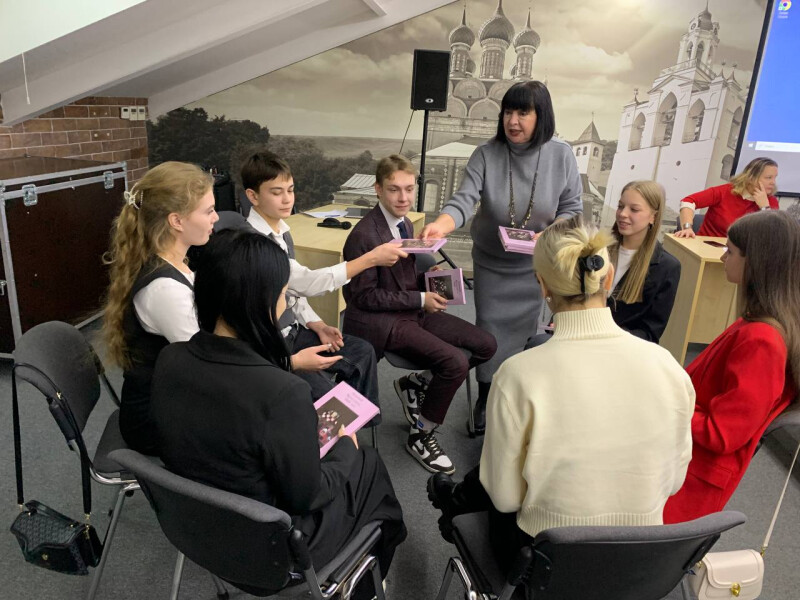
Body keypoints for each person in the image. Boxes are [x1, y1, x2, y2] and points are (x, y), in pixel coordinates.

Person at [150, 230, 406, 599]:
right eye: (283, 294)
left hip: (196, 530)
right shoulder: (282, 392)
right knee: (368, 465)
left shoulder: (170, 359)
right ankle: (366, 581)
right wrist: (344, 445)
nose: (285, 304)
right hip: (271, 552)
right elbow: (308, 497)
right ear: (260, 302)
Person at [428, 214, 694, 569]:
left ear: (542, 286)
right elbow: (674, 482)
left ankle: (453, 506)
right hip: (641, 563)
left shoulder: (518, 375)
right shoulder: (670, 368)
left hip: (545, 562)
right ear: (608, 278)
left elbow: (505, 499)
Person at [419, 81, 582, 434]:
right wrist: (440, 225)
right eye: (508, 112)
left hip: (534, 266)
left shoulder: (562, 155)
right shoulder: (485, 154)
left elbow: (571, 208)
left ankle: (515, 396)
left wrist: (549, 234)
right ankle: (485, 395)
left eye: (523, 112)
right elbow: (464, 199)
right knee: (489, 332)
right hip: (492, 263)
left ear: (542, 116)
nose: (512, 121)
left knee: (525, 333)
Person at [342, 155, 497, 474]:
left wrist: (428, 280)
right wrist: (421, 297)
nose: (403, 197)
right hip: (381, 322)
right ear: (378, 189)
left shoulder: (405, 222)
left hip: (411, 308)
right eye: (394, 189)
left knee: (486, 345)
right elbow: (364, 297)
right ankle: (420, 435)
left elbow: (400, 276)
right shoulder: (363, 236)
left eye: (409, 189)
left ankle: (415, 384)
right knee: (454, 363)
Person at [241, 151, 406, 413]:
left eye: (290, 190)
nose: (287, 199)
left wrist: (316, 324)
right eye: (276, 192)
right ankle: (340, 425)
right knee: (334, 404)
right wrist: (370, 259)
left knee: (363, 352)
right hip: (272, 344)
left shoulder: (281, 231)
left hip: (293, 331)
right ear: (253, 196)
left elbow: (293, 291)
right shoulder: (253, 243)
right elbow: (309, 283)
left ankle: (353, 424)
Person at [664, 210, 800, 523]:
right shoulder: (755, 324)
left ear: (757, 263)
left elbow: (722, 433)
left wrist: (665, 406)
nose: (724, 258)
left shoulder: (763, 340)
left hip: (691, 478)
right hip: (683, 460)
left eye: (731, 251)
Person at [102, 161, 217, 454]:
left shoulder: (173, 261)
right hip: (155, 420)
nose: (216, 217)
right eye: (208, 211)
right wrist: (287, 363)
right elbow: (209, 366)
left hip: (172, 394)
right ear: (177, 221)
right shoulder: (164, 289)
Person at [675, 157, 779, 238]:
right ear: (751, 178)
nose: (773, 182)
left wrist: (765, 208)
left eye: (775, 178)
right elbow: (688, 201)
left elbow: (773, 235)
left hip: (742, 254)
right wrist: (687, 227)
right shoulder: (725, 191)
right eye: (768, 178)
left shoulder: (770, 202)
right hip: (708, 247)